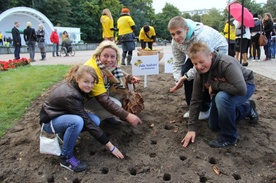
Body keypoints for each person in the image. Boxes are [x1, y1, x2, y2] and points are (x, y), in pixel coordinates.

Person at [40, 65, 125, 172]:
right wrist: (110, 146)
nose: (90, 85)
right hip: (50, 122)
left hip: (61, 116)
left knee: (95, 120)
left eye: (92, 82)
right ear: (77, 79)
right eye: (86, 82)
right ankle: (66, 158)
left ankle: (63, 135)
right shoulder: (71, 94)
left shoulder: (77, 88)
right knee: (78, 122)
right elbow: (86, 121)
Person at [181, 42, 258, 148]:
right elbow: (196, 100)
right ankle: (247, 108)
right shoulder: (200, 73)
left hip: (245, 85)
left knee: (222, 98)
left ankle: (229, 138)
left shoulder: (226, 64)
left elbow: (241, 89)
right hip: (225, 89)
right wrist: (191, 129)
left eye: (201, 61)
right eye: (195, 64)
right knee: (214, 125)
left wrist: (216, 85)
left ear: (210, 55)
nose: (199, 66)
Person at [168, 16, 228, 120]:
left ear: (186, 29)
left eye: (178, 32)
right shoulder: (175, 42)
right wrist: (179, 80)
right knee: (185, 72)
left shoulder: (202, 37)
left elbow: (202, 65)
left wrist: (186, 77)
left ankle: (205, 108)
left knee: (202, 74)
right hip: (197, 54)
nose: (176, 37)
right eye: (173, 34)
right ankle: (193, 108)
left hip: (216, 50)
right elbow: (178, 62)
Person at [84, 40, 142, 127]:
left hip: (100, 93)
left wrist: (129, 78)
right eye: (105, 56)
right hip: (86, 99)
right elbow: (103, 99)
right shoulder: (93, 70)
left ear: (116, 57)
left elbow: (119, 73)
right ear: (98, 55)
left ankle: (108, 116)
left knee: (124, 90)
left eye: (112, 56)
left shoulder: (112, 64)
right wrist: (127, 115)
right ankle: (89, 121)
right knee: (116, 104)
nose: (109, 60)